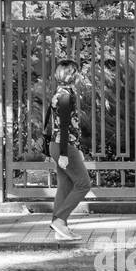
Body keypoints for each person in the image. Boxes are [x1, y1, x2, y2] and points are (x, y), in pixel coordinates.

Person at [42, 59, 92, 241]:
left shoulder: (61, 93)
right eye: (77, 73)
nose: (79, 76)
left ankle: (60, 229)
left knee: (65, 185)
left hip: (61, 145)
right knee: (84, 184)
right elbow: (63, 126)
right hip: (63, 145)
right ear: (73, 75)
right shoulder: (65, 95)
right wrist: (65, 153)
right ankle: (60, 220)